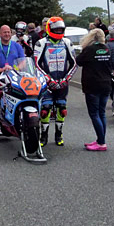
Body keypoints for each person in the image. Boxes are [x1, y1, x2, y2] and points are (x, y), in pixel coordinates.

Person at [33, 17, 77, 147]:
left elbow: (74, 64)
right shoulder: (41, 43)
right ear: (49, 29)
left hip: (63, 82)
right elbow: (36, 64)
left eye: (60, 29)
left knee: (62, 109)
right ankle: (43, 135)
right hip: (47, 83)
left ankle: (59, 134)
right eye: (55, 29)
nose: (58, 32)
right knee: (45, 109)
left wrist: (66, 80)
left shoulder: (67, 42)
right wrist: (48, 79)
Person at [75, 29, 113, 151]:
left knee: (94, 113)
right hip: (106, 83)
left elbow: (78, 61)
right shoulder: (107, 48)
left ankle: (101, 143)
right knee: (101, 113)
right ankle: (100, 139)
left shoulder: (89, 50)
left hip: (93, 85)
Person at [0, 25, 25, 135]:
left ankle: (13, 123)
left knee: (14, 99)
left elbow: (23, 62)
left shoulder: (17, 46)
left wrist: (15, 69)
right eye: (4, 32)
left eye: (8, 32)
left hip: (14, 78)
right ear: (0, 34)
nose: (7, 34)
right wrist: (1, 69)